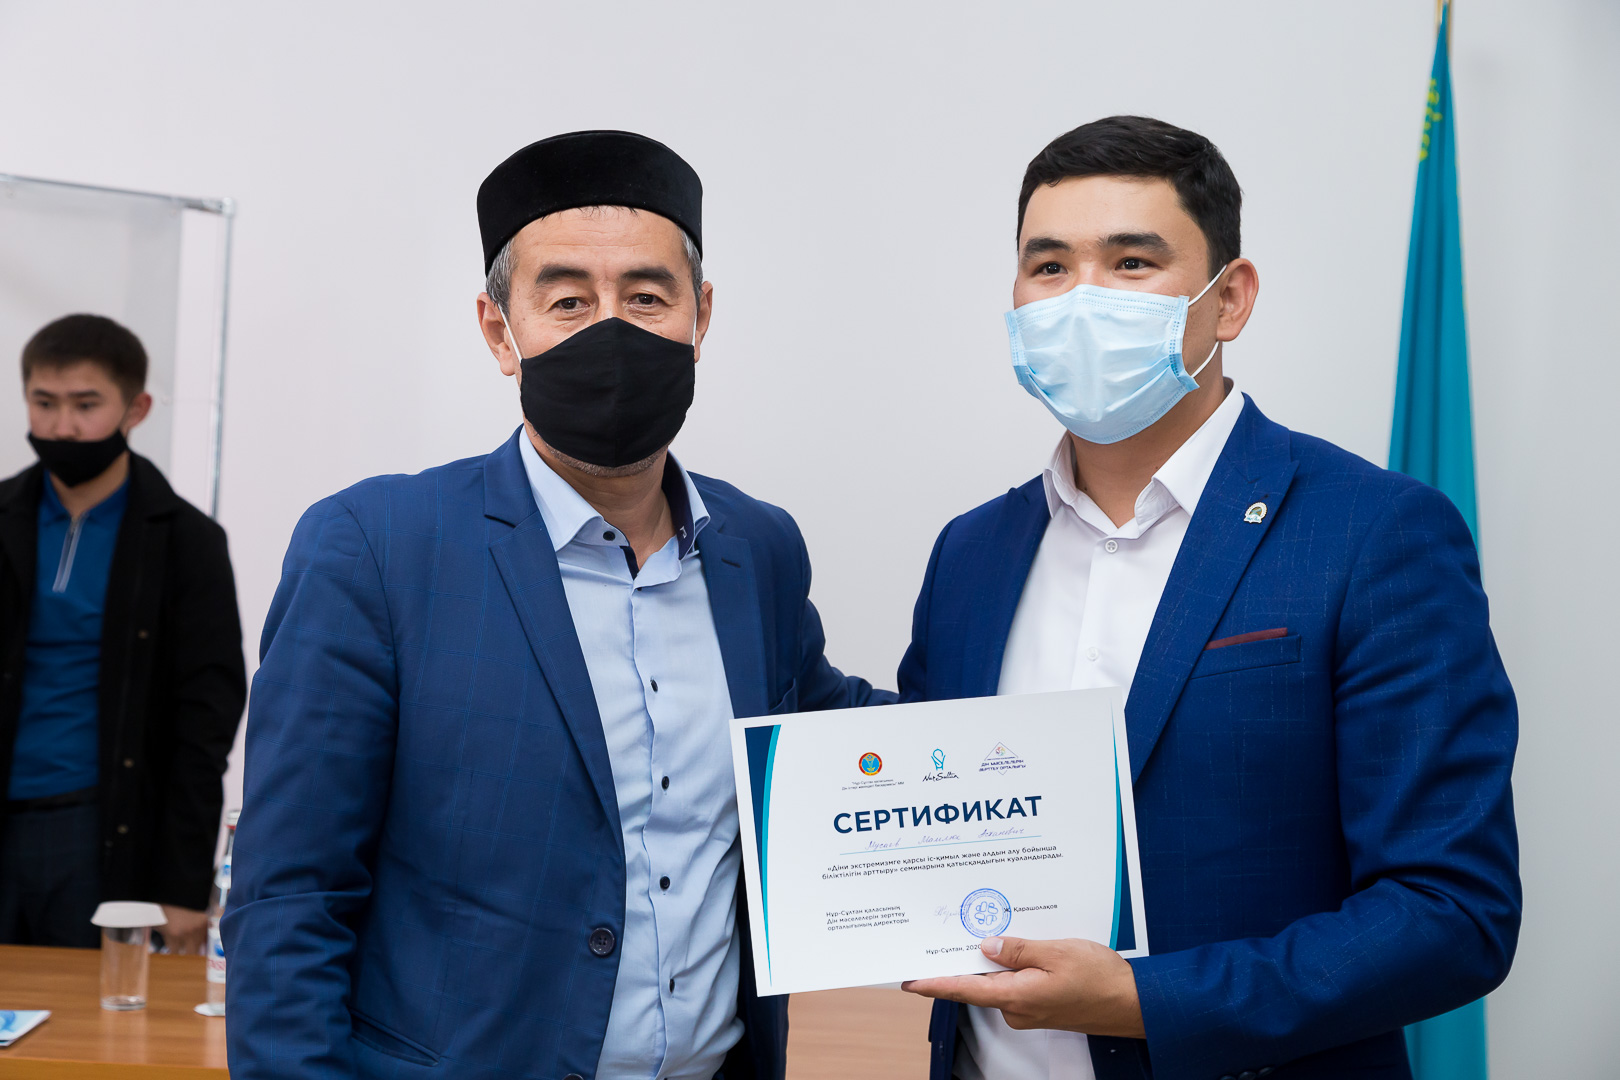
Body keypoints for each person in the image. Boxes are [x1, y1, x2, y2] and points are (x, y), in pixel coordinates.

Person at [223, 129, 891, 1080]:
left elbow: (832, 734)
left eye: (647, 297)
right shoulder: (377, 548)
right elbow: (290, 899)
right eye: (568, 299)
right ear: (502, 330)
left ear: (701, 315)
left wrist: (1047, 742)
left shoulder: (760, 550)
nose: (611, 330)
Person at [899, 116, 1519, 1080]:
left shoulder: (1373, 534)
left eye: (1132, 262)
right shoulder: (971, 554)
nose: (1083, 298)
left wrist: (1148, 1001)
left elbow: (1452, 912)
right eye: (1049, 266)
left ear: (1229, 299)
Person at [0, 313, 246, 952]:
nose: (62, 426)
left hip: (100, 829)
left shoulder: (187, 542)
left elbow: (205, 721)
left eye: (86, 405)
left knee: (89, 1016)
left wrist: (182, 882)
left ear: (135, 409)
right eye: (44, 403)